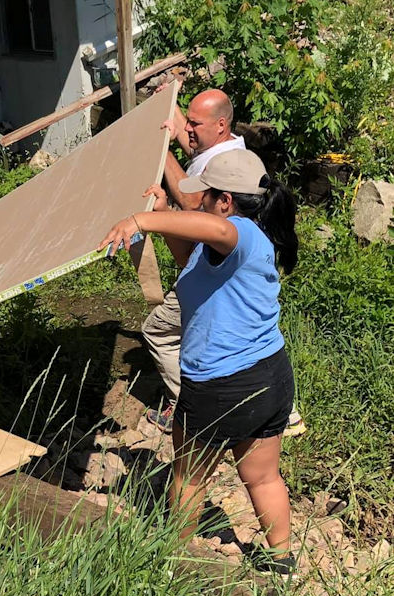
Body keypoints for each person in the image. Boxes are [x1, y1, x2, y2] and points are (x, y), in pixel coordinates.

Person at [100, 149, 299, 574]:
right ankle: (281, 558)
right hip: (269, 376)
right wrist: (163, 213)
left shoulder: (240, 233)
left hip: (220, 384)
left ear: (225, 201)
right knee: (263, 477)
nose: (199, 202)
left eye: (205, 196)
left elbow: (216, 229)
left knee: (189, 478)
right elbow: (192, 263)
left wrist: (139, 220)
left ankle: (175, 561)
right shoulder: (239, 244)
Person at [142, 89, 246, 431]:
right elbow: (196, 150)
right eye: (187, 120)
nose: (188, 129)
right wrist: (171, 109)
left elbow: (190, 201)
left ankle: (186, 408)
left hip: (210, 269)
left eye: (194, 123)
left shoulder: (225, 163)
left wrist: (161, 151)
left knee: (158, 330)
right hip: (216, 264)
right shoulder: (224, 145)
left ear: (220, 124)